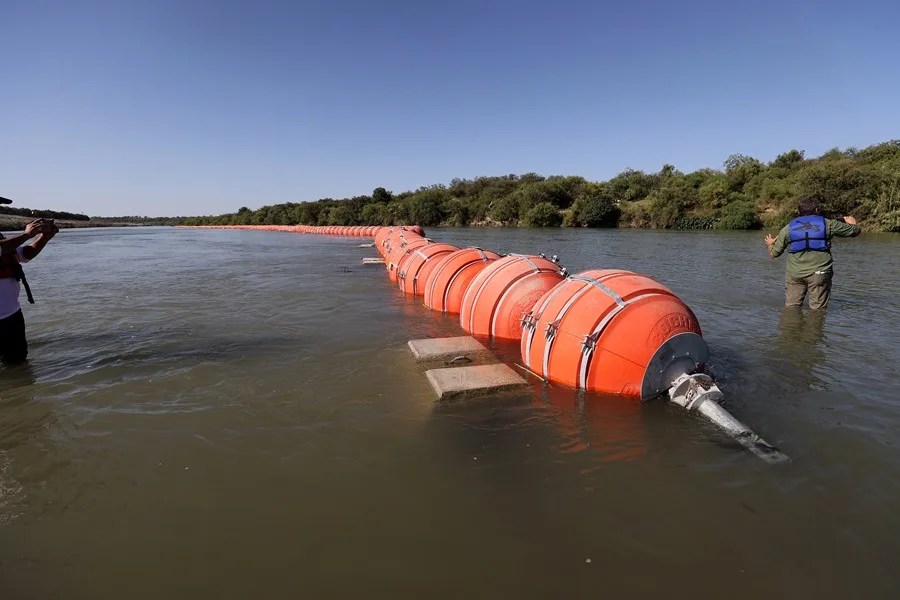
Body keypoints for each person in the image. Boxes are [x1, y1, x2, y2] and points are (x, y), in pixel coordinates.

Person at [764, 196, 860, 309]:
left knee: (792, 308)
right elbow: (854, 231)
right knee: (818, 310)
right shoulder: (828, 224)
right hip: (819, 273)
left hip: (795, 274)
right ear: (816, 210)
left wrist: (770, 244)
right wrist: (853, 224)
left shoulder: (787, 228)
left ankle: (791, 326)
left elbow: (774, 254)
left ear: (799, 211)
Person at [1, 199, 59, 363]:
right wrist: (27, 234)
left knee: (18, 364)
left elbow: (24, 254)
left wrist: (44, 237)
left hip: (12, 316)